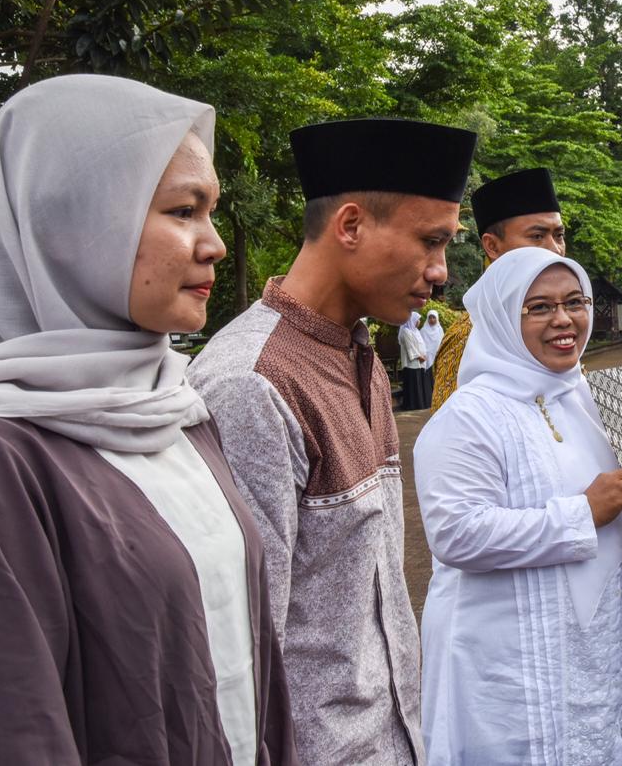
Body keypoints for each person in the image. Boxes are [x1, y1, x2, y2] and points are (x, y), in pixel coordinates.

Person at [0, 75, 294, 763]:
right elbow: (14, 734)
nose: (215, 245)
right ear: (69, 224)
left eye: (212, 211)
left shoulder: (176, 410)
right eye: (182, 210)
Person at [189, 117, 478, 764]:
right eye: (431, 242)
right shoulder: (252, 384)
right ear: (350, 226)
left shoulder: (363, 357)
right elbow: (236, 656)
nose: (439, 272)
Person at [414, 248, 622, 764]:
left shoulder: (592, 400)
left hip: (598, 649)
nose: (564, 320)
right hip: (510, 664)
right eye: (538, 307)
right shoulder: (469, 415)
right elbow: (455, 533)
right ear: (501, 317)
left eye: (575, 302)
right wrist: (581, 512)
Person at [431, 167, 565, 409]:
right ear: (492, 246)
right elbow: (451, 431)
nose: (555, 249)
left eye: (559, 235)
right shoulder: (469, 336)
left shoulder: (567, 320)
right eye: (537, 236)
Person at [398, 312, 431, 410]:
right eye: (417, 319)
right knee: (413, 385)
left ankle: (420, 404)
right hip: (412, 363)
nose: (419, 322)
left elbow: (421, 344)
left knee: (419, 384)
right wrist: (418, 356)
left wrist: (424, 355)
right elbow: (410, 347)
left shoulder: (416, 331)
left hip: (420, 362)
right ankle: (412, 405)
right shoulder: (406, 331)